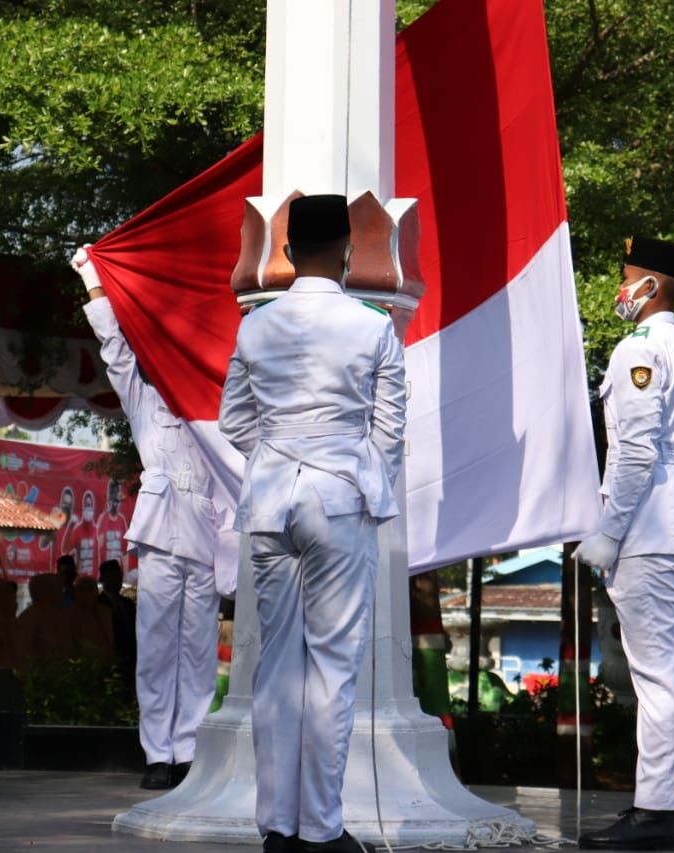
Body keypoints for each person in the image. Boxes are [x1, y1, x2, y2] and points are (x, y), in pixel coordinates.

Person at [218, 194, 407, 853]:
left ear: (290, 252)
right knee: (331, 666)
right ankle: (321, 828)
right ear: (348, 249)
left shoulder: (255, 325)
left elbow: (234, 421)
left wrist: (278, 456)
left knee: (277, 669)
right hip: (337, 498)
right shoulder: (372, 323)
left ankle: (277, 826)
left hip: (269, 500)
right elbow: (389, 431)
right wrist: (353, 477)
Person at [74, 249, 230, 792]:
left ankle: (187, 748)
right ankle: (157, 752)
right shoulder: (148, 400)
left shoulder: (220, 403)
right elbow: (116, 352)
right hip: (163, 531)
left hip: (208, 531)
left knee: (198, 647)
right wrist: (96, 284)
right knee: (158, 644)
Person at [574, 235, 674, 852]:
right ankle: (661, 808)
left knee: (656, 677)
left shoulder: (642, 348)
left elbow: (633, 452)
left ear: (652, 285)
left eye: (628, 276)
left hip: (649, 521)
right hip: (673, 518)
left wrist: (608, 531)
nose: (620, 289)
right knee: (669, 674)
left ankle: (655, 814)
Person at [97, 559, 136, 688]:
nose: (117, 581)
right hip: (109, 661)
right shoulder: (97, 604)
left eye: (118, 576)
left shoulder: (128, 603)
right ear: (103, 579)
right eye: (112, 577)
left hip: (130, 662)